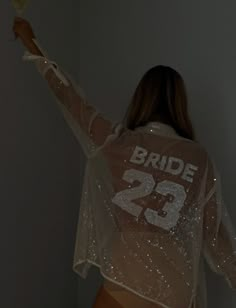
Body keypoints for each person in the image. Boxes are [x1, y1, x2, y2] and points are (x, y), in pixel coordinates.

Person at [13, 17, 236, 308]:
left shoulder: (118, 141)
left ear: (141, 98)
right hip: (176, 285)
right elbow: (214, 235)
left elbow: (71, 99)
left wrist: (31, 43)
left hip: (126, 276)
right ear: (180, 103)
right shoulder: (197, 157)